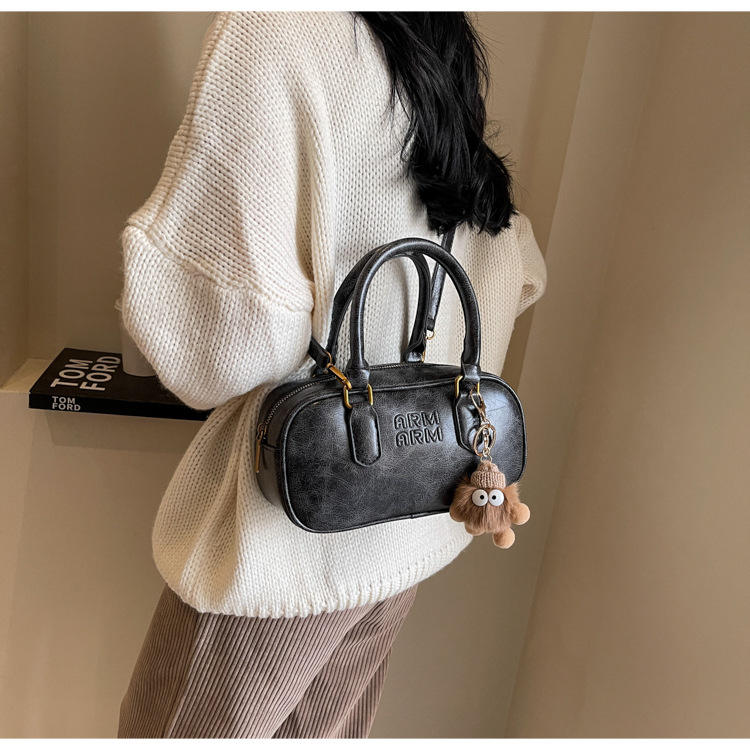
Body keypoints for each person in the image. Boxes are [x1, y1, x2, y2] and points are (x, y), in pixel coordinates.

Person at [116, 11, 547, 739]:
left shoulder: (273, 28)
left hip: (284, 549)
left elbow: (214, 350)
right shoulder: (435, 35)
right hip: (407, 530)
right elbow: (512, 265)